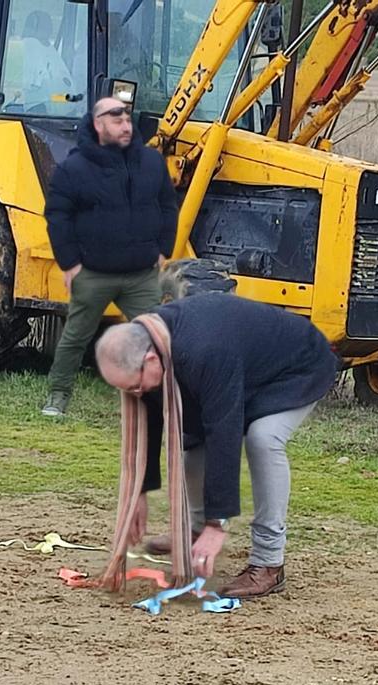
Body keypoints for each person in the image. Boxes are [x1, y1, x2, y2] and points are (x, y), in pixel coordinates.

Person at [94, 294, 339, 598]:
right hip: (243, 365)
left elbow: (224, 430)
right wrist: (139, 491)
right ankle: (193, 533)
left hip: (297, 366)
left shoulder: (204, 350)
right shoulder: (152, 341)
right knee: (193, 442)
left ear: (151, 360)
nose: (135, 395)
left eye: (135, 386)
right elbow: (149, 416)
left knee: (263, 439)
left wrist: (217, 523)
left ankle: (269, 563)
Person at [42, 96, 178, 417]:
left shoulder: (151, 162)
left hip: (141, 273)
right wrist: (71, 263)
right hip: (94, 273)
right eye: (117, 120)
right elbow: (58, 217)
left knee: (161, 339)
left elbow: (168, 206)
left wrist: (162, 251)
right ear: (98, 124)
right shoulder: (73, 168)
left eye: (128, 120)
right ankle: (57, 398)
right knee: (75, 338)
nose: (126, 126)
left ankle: (169, 403)